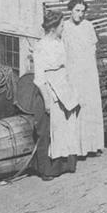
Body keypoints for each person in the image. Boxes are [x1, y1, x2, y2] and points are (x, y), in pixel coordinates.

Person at [33, 11, 79, 175]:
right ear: (53, 28)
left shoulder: (59, 43)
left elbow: (65, 67)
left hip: (63, 86)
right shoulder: (40, 47)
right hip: (49, 88)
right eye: (61, 26)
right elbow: (39, 78)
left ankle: (66, 165)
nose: (63, 29)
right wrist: (46, 101)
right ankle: (49, 170)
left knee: (66, 127)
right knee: (50, 130)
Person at [60, 0, 103, 155]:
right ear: (70, 10)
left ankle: (93, 146)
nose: (80, 14)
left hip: (88, 71)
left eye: (82, 11)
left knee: (91, 106)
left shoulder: (88, 26)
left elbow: (93, 47)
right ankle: (77, 149)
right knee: (76, 106)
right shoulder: (64, 27)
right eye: (77, 10)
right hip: (73, 72)